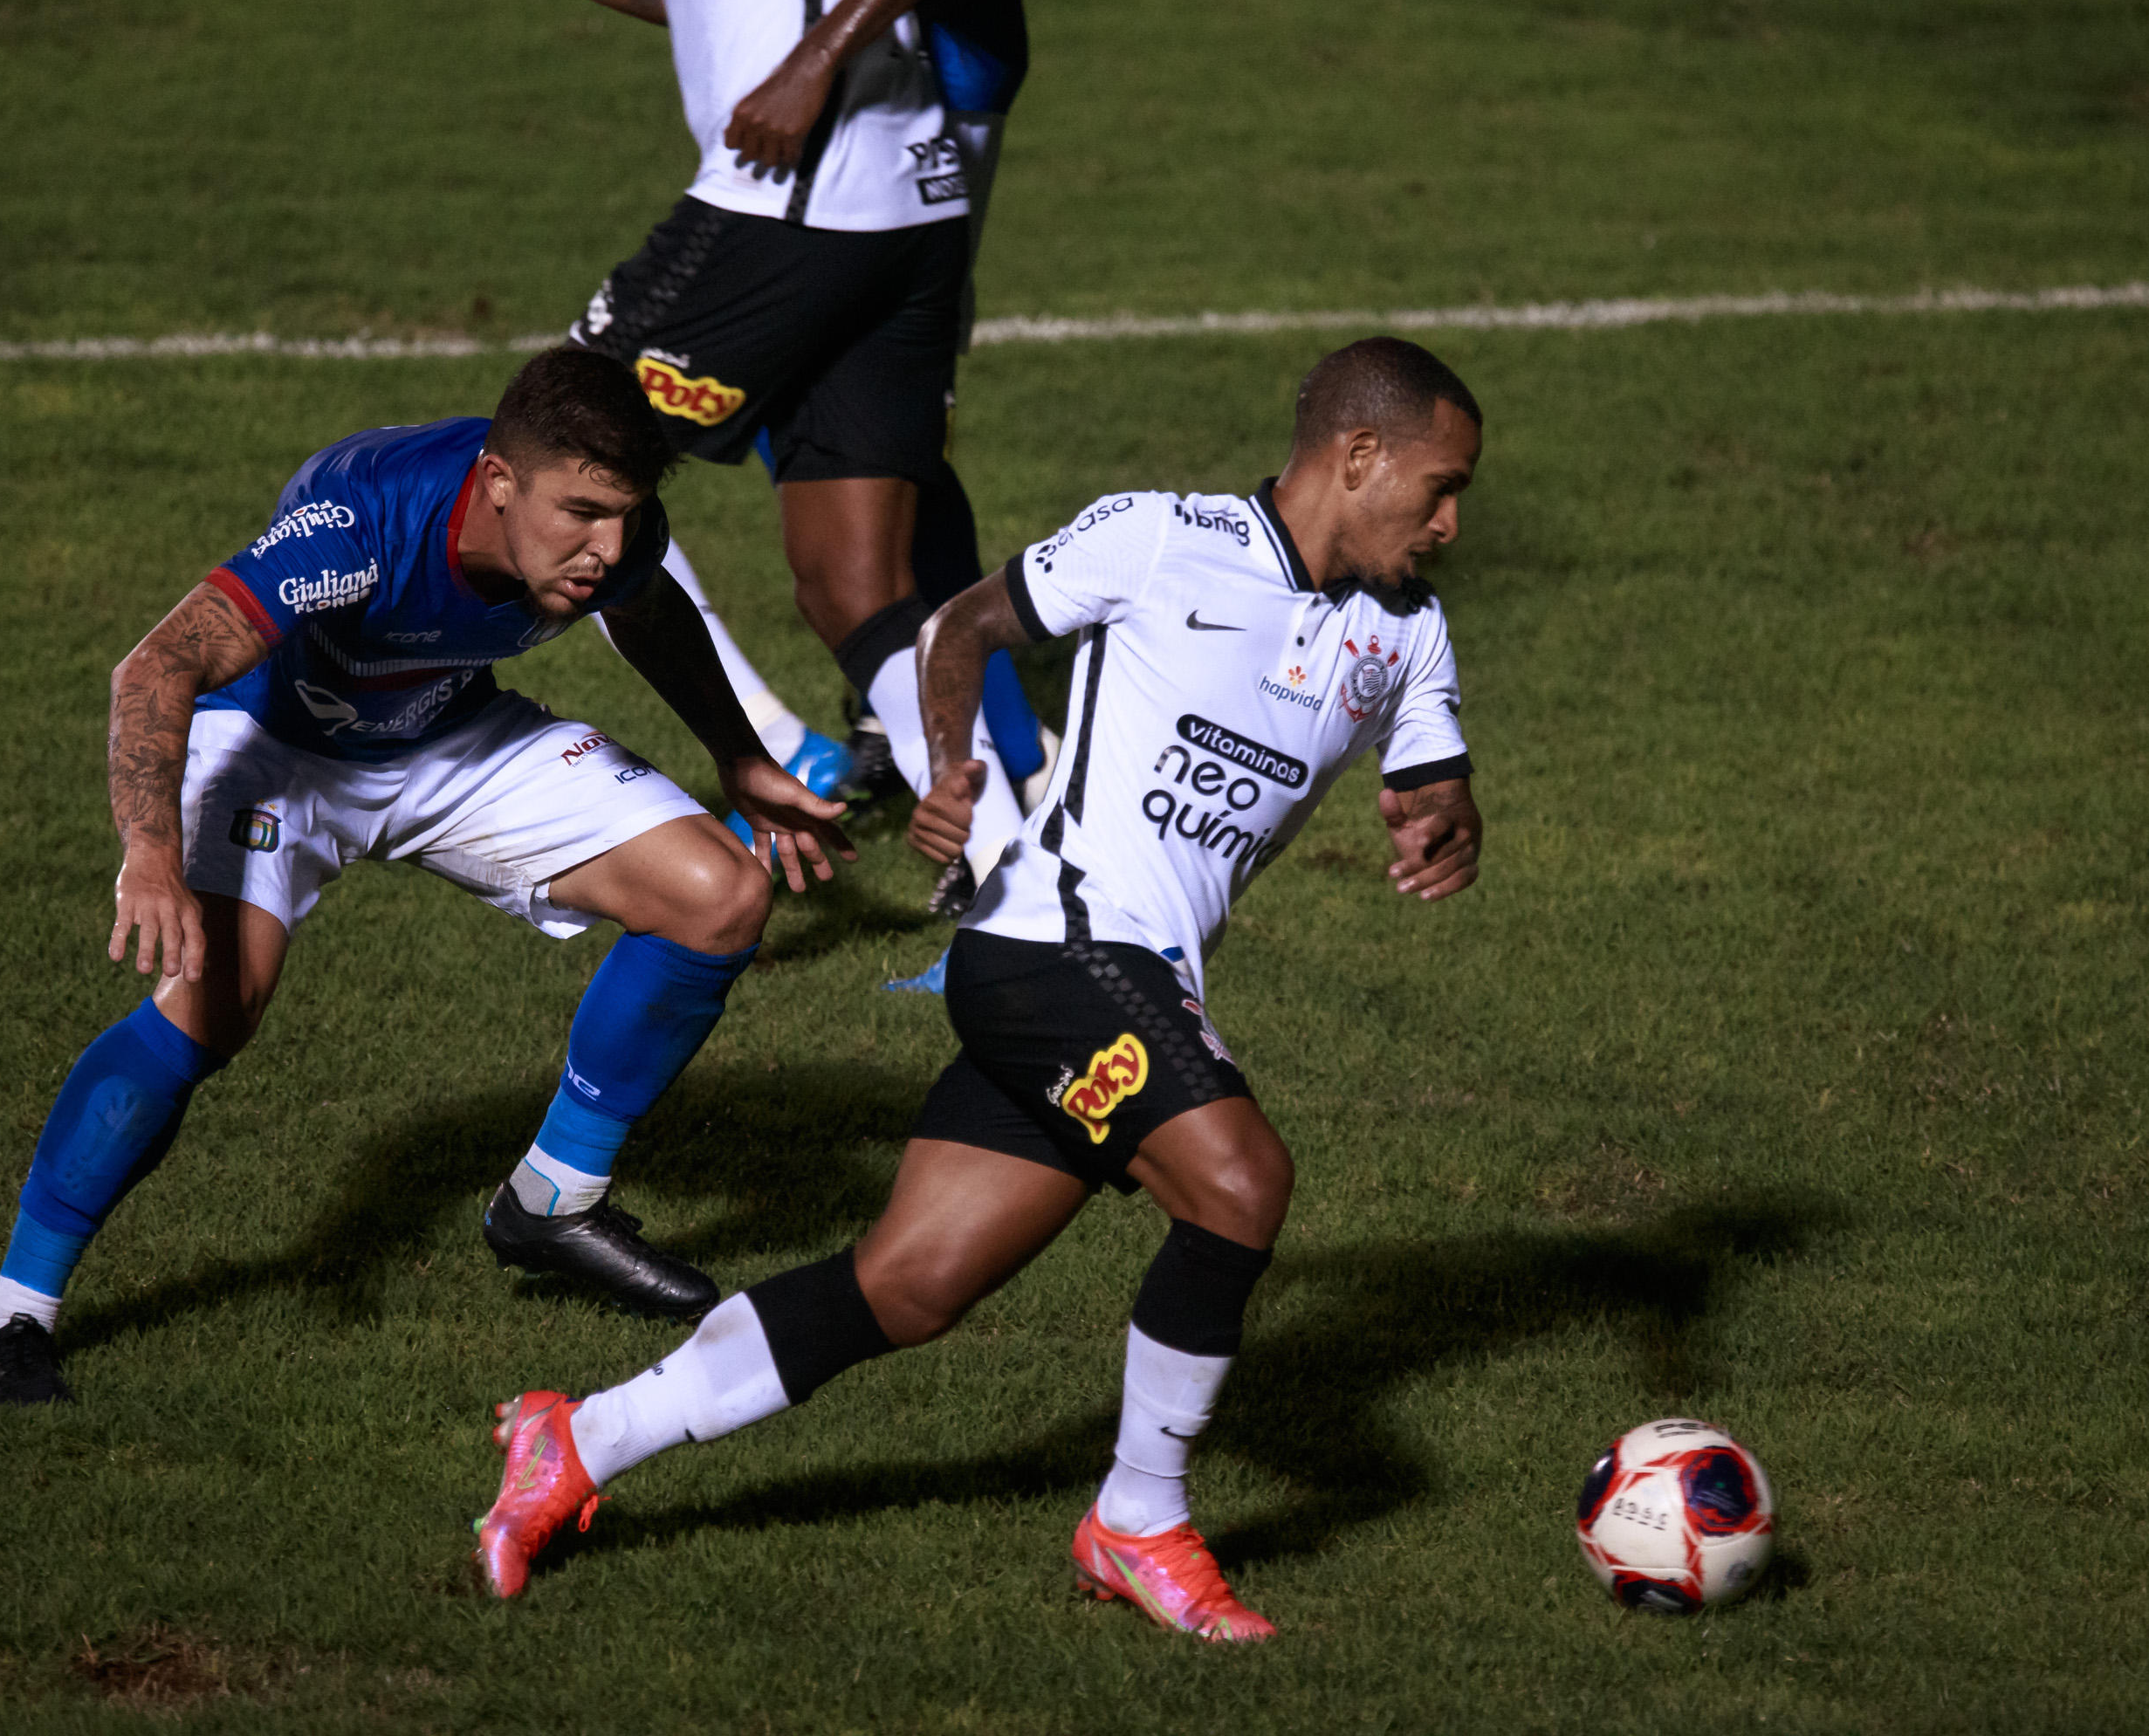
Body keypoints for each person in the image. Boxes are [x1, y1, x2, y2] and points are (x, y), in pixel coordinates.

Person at [469, 339, 1486, 1640]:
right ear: (1361, 457)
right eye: (1440, 488)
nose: (1451, 525)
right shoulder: (1163, 540)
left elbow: (1435, 777)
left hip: (1127, 980)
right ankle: (1139, 1518)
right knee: (1240, 1184)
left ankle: (580, 1438)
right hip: (1052, 951)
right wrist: (950, 770)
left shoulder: (1406, 631)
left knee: (906, 1286)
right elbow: (966, 624)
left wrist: (1444, 823)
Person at [0, 348, 855, 1406]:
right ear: (498, 482)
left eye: (625, 516)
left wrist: (740, 758)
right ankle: (11, 1313)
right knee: (213, 1009)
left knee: (720, 893)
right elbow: (159, 664)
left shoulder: (616, 535)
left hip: (442, 730)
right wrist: (149, 854)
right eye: (581, 514)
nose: (606, 548)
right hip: (278, 749)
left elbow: (649, 608)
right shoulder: (363, 523)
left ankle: (552, 1201)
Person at [561, 0, 1047, 907]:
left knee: (555, 460)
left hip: (790, 197)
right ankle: (1023, 897)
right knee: (855, 591)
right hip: (906, 214)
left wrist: (810, 60)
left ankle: (775, 744)